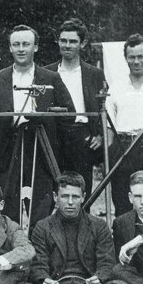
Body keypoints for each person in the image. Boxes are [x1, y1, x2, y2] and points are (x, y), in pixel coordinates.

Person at [10, 172, 130, 284]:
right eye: (65, 196)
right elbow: (38, 264)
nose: (70, 202)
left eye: (75, 197)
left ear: (83, 197)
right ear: (55, 197)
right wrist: (44, 279)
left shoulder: (98, 225)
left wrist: (98, 278)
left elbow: (107, 262)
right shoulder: (43, 227)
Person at [0, 25, 75, 229]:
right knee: (7, 205)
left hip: (41, 148)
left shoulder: (51, 78)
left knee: (41, 207)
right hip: (9, 150)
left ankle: (39, 245)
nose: (21, 49)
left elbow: (68, 113)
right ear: (10, 48)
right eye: (16, 44)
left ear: (35, 47)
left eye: (26, 44)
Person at [46, 18, 106, 200]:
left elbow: (104, 106)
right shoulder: (47, 73)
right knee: (53, 191)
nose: (67, 45)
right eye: (63, 40)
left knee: (81, 192)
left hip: (82, 137)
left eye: (72, 41)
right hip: (54, 136)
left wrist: (100, 134)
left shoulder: (94, 74)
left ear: (82, 43)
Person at [105, 34, 143, 218]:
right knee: (122, 202)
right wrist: (110, 154)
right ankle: (123, 237)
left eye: (140, 56)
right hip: (122, 147)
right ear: (126, 58)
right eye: (132, 57)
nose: (136, 61)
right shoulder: (116, 87)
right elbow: (109, 127)